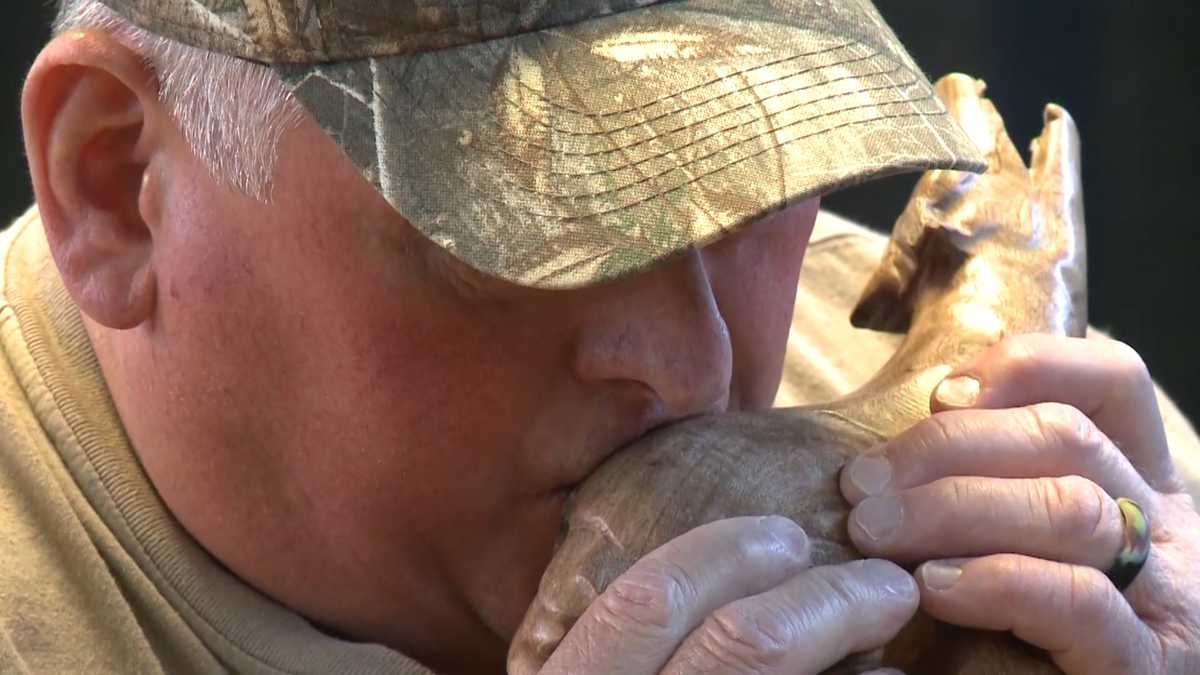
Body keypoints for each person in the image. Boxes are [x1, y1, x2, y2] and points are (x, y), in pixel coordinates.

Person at [1, 1, 1197, 674]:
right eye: (530, 219)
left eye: (759, 165)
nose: (702, 368)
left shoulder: (1035, 452)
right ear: (116, 186)